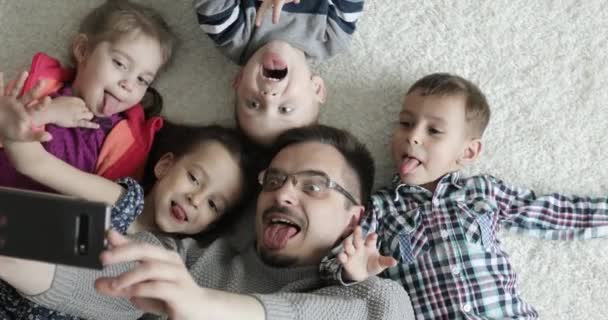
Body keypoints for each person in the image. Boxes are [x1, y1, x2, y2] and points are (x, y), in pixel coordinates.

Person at [0, 125, 413, 320]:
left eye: (315, 186)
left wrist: (205, 306)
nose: (284, 194)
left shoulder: (374, 299)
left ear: (353, 217)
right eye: (274, 180)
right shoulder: (186, 260)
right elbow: (85, 263)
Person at [319, 72, 608, 319]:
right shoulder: (380, 208)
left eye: (434, 130)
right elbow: (330, 265)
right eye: (406, 123)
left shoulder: (484, 192)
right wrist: (350, 273)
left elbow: (552, 213)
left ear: (467, 152)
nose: (413, 136)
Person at [0, 78, 253, 319]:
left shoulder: (176, 264)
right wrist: (13, 130)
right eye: (194, 178)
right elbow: (37, 164)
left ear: (211, 224)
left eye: (213, 204)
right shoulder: (124, 202)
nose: (195, 199)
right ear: (164, 166)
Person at [0, 0, 178, 191]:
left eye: (142, 80)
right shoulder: (38, 88)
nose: (128, 85)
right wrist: (48, 113)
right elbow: (8, 131)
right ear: (83, 50)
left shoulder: (123, 141)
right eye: (120, 64)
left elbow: (105, 204)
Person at [194, 0, 365, 147]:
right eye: (285, 109)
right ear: (317, 89)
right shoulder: (332, 36)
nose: (269, 97)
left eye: (253, 104)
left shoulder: (230, 34)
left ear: (239, 80)